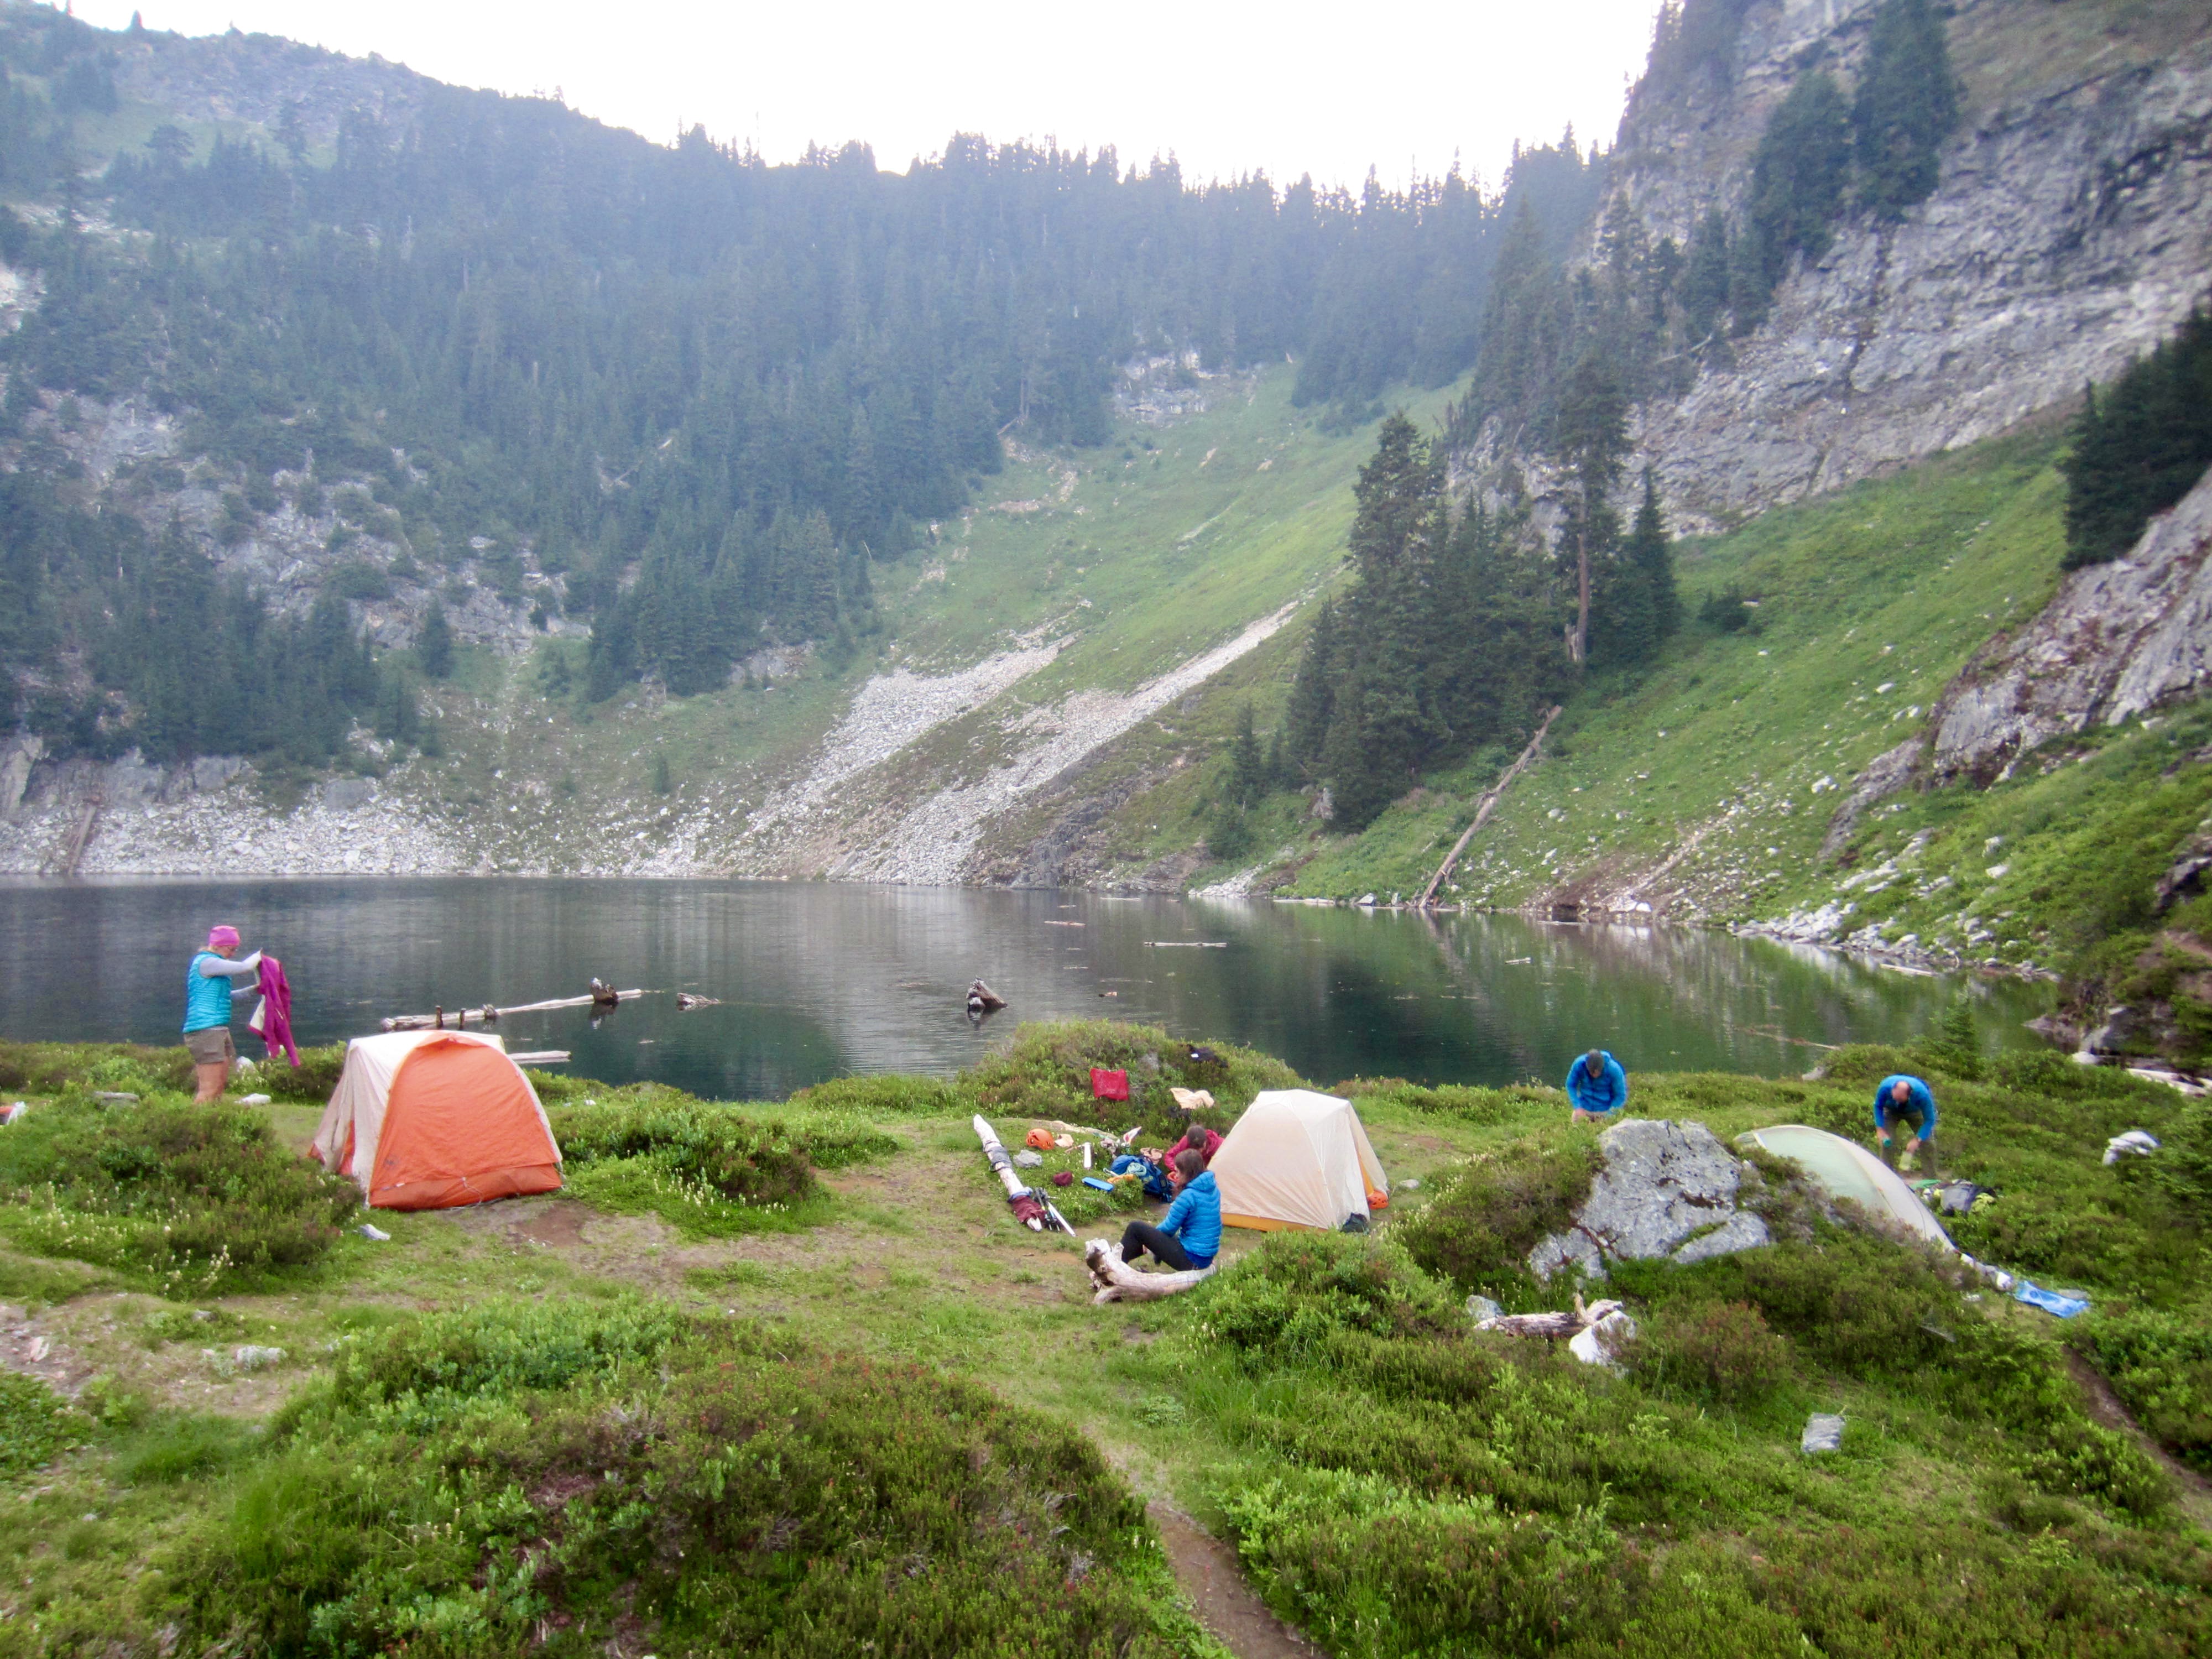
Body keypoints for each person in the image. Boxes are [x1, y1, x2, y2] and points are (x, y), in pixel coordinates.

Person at [184, 925, 262, 1103]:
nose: (233, 953)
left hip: (218, 1030)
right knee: (209, 1089)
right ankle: (194, 1120)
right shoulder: (207, 962)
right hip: (205, 1030)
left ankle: (212, 1119)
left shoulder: (215, 966)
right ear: (218, 945)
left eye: (236, 950)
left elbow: (226, 996)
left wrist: (254, 990)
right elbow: (244, 967)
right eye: (231, 949)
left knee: (219, 1086)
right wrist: (259, 956)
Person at [1118, 1147, 1220, 1272]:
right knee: (1146, 1236)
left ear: (1187, 1172)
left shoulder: (1188, 1196)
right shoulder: (1213, 1189)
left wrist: (1151, 1244)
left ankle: (1115, 1265)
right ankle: (1117, 1262)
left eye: (1177, 1172)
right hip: (1205, 1257)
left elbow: (1169, 1228)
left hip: (1192, 1260)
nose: (1176, 1176)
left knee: (1136, 1228)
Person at [1873, 1073, 1938, 1173]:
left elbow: (1930, 1120)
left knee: (1927, 1143)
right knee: (1887, 1141)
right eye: (1895, 1098)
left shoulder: (1922, 1095)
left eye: (1900, 1100)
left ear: (1910, 1095)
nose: (1897, 1102)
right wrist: (1880, 1129)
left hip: (1914, 1111)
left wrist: (1918, 1139)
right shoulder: (1885, 1087)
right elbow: (1878, 1106)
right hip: (1891, 1110)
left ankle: (1930, 1178)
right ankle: (1886, 1173)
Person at [1565, 1048, 1627, 1123]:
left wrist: (1610, 1115)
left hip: (1606, 1110)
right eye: (1592, 1072)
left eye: (1598, 1072)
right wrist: (1577, 1107)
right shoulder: (1579, 1064)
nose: (1595, 1075)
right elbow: (1570, 1085)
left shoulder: (1614, 1069)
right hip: (1584, 1109)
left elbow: (1620, 1095)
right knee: (1575, 1124)